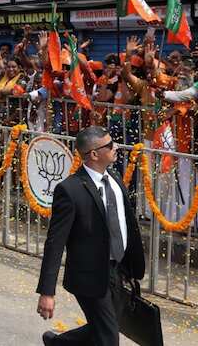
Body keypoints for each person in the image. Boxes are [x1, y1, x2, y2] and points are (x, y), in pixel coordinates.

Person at [37, 126, 146, 346]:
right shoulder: (70, 190)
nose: (116, 147)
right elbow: (55, 243)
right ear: (94, 154)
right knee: (108, 337)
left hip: (118, 269)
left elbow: (126, 224)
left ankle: (59, 343)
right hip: (89, 275)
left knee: (106, 325)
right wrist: (47, 292)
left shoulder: (114, 178)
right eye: (109, 145)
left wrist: (131, 265)